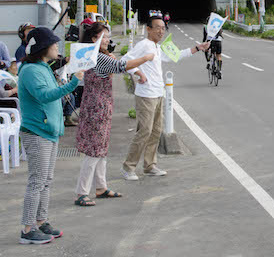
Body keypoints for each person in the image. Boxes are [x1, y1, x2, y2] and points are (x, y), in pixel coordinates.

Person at [120, 16, 210, 180]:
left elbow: (176, 55)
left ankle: (150, 166)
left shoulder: (157, 47)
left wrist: (197, 48)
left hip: (158, 94)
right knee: (144, 132)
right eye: (157, 28)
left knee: (155, 132)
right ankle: (128, 167)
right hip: (146, 95)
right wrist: (138, 73)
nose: (161, 31)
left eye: (163, 28)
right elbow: (124, 61)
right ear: (148, 29)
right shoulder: (144, 45)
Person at [74, 23, 153, 207]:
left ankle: (101, 187)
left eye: (109, 37)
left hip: (100, 107)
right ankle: (81, 192)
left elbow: (115, 66)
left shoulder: (96, 56)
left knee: (101, 150)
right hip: (96, 109)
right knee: (94, 151)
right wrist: (145, 58)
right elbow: (121, 66)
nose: (108, 40)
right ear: (94, 39)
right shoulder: (98, 58)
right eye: (105, 36)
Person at [17, 27, 84, 245]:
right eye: (54, 43)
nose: (57, 46)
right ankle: (28, 229)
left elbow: (52, 92)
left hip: (48, 131)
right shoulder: (30, 71)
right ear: (43, 48)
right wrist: (74, 83)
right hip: (37, 132)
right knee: (37, 181)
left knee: (46, 180)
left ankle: (41, 221)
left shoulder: (42, 67)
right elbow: (44, 96)